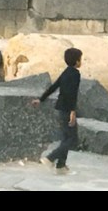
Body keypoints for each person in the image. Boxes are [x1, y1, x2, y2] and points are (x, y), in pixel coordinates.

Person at [31, 47, 82, 175]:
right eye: (81, 59)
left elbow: (54, 87)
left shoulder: (65, 72)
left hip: (60, 107)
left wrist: (41, 99)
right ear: (77, 61)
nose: (81, 61)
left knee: (66, 138)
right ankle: (50, 158)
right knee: (72, 139)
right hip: (67, 109)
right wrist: (73, 111)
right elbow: (72, 93)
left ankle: (61, 166)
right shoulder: (75, 74)